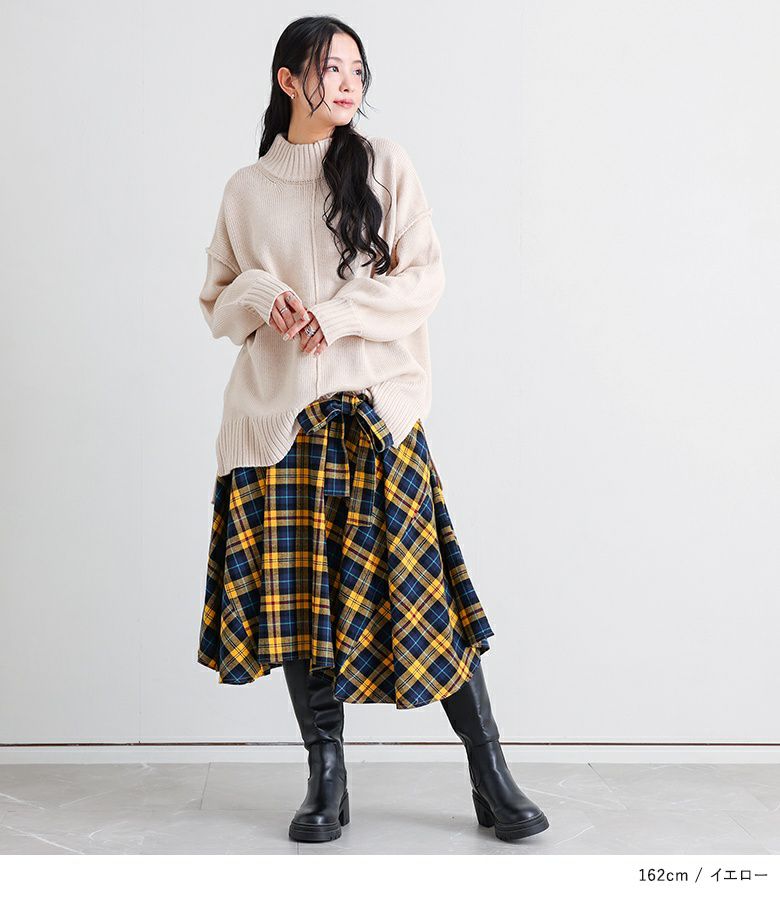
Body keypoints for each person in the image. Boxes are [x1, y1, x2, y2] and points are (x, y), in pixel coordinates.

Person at [195, 14, 549, 845]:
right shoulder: (246, 190)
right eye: (330, 68)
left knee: (429, 600)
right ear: (288, 79)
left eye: (357, 69)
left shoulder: (386, 165)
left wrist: (339, 312)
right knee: (301, 612)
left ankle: (490, 772)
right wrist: (261, 295)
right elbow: (216, 303)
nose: (348, 83)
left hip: (376, 421)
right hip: (279, 428)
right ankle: (327, 778)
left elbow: (425, 280)